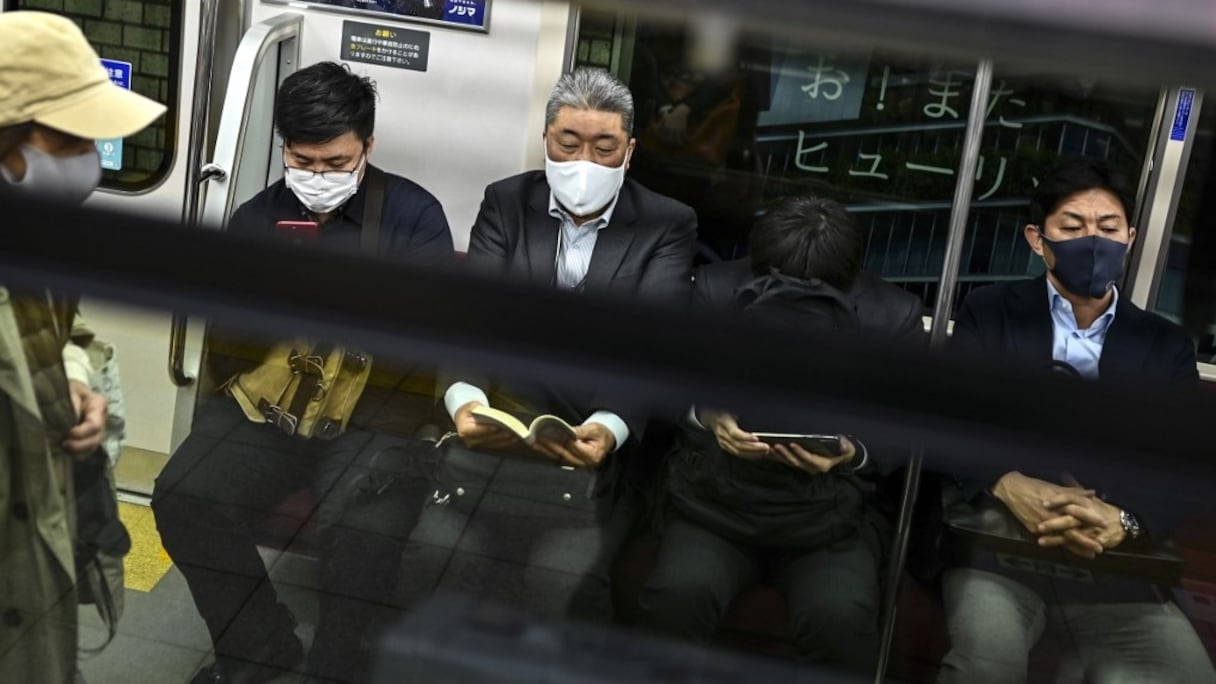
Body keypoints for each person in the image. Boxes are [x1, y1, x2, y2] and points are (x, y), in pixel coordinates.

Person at [150, 61, 454, 684]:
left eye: (336, 163)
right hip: (271, 412)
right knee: (183, 495)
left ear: (367, 146)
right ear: (283, 148)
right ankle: (259, 647)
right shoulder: (258, 219)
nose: (318, 176)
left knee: (364, 531)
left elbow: (431, 345)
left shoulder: (413, 218)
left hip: (374, 418)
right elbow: (227, 342)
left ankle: (337, 667)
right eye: (303, 161)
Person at [937, 158, 1216, 683]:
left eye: (1108, 229)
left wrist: (1126, 521)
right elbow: (950, 418)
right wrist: (1007, 481)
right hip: (999, 553)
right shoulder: (991, 312)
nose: (1094, 241)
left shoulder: (1165, 346)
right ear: (1037, 239)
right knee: (985, 667)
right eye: (1072, 227)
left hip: (1117, 570)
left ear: (1131, 238)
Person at [434, 67, 697, 621]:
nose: (584, 162)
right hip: (497, 436)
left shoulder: (666, 225)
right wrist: (465, 404)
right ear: (546, 140)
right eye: (568, 143)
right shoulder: (507, 202)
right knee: (435, 554)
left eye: (605, 148)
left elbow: (647, 348)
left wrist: (607, 429)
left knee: (564, 585)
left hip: (595, 456)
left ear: (630, 152)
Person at [636, 195, 923, 672]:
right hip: (715, 501)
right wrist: (708, 416)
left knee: (840, 622)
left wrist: (851, 452)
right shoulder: (715, 289)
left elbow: (905, 429)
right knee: (676, 599)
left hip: (830, 515)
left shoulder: (892, 317)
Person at [0, 11, 166, 683]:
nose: (88, 162)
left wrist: (68, 377)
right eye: (70, 139)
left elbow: (58, 332)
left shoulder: (32, 234)